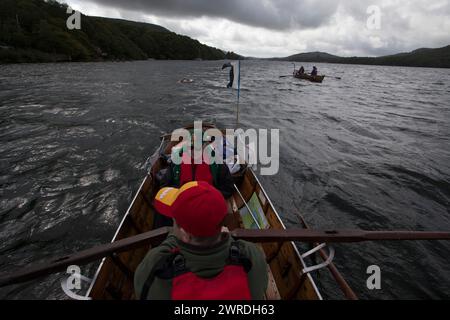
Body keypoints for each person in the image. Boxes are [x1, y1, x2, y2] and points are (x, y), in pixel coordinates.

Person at [134, 181, 269, 300]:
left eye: (174, 222)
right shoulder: (252, 256)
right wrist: (226, 238)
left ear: (185, 235)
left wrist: (175, 237)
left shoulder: (154, 266)